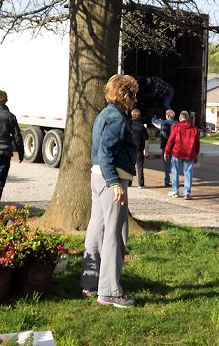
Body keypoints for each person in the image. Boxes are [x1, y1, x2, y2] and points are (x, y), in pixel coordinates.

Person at [80, 74, 138, 308]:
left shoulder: (105, 113)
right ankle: (110, 291)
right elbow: (106, 152)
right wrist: (114, 183)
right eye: (133, 94)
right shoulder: (117, 118)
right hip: (110, 179)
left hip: (98, 177)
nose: (136, 99)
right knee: (115, 234)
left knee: (97, 228)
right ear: (124, 95)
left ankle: (91, 283)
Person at [164, 111, 200, 200]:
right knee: (188, 173)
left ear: (180, 118)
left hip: (177, 152)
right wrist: (196, 154)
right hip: (189, 153)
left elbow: (171, 140)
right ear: (187, 118)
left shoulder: (176, 127)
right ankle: (187, 193)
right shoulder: (195, 129)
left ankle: (175, 191)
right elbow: (197, 144)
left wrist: (166, 151)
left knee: (175, 172)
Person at [151, 109, 177, 186]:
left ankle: (167, 180)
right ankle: (174, 180)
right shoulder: (177, 124)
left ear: (167, 115)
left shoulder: (162, 123)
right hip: (174, 146)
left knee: (166, 164)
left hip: (165, 146)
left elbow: (153, 121)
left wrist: (154, 115)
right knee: (174, 164)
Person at [131, 109, 149, 189]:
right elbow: (146, 137)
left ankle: (128, 182)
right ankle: (140, 184)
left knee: (130, 165)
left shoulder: (128, 124)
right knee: (140, 167)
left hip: (130, 148)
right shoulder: (141, 126)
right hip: (139, 148)